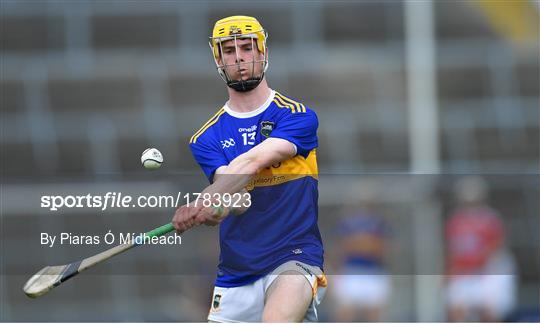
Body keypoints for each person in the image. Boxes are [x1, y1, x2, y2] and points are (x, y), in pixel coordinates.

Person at [171, 15, 326, 322]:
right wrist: (211, 209)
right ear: (218, 59)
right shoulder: (205, 138)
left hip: (293, 258)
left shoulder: (297, 116)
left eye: (247, 47)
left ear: (263, 52)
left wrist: (205, 196)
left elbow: (252, 162)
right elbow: (235, 200)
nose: (239, 57)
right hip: (237, 270)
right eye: (229, 50)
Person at [445, 176, 517, 322]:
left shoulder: (490, 219)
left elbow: (495, 245)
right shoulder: (455, 220)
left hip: (486, 271)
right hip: (463, 271)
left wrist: (476, 262)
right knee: (455, 311)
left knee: (488, 312)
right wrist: (450, 270)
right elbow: (452, 249)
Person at [330, 182, 391, 322]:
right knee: (345, 314)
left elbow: (380, 248)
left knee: (374, 315)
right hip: (351, 271)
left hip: (373, 272)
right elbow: (343, 247)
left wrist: (359, 244)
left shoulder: (379, 222)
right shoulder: (347, 222)